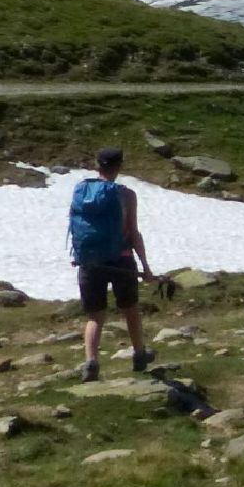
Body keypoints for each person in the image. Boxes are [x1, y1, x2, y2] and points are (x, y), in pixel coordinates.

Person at [68, 148, 155, 382]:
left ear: (98, 165)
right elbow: (133, 232)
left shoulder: (81, 190)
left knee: (95, 316)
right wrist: (146, 267)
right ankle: (139, 354)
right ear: (119, 166)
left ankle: (91, 362)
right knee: (130, 309)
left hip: (90, 262)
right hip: (121, 258)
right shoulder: (126, 195)